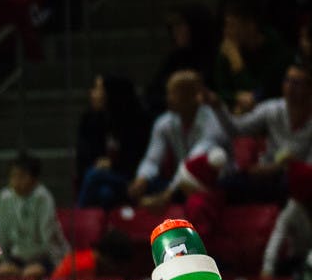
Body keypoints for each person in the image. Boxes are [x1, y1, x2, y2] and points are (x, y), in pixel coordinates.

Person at [203, 62, 312, 205]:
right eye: (287, 80)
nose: (289, 87)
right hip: (264, 174)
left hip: (296, 179)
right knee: (224, 185)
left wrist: (279, 168)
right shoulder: (272, 109)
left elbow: (309, 168)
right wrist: (217, 106)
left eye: (296, 83)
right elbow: (237, 130)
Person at [128, 70, 227, 208]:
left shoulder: (211, 122)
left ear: (193, 97)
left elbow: (192, 166)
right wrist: (141, 180)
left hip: (214, 183)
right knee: (137, 188)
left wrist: (166, 196)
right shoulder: (165, 122)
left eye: (174, 93)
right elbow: (152, 159)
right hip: (181, 183)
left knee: (194, 198)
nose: (168, 98)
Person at [76, 76, 149, 209]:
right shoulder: (91, 120)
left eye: (98, 89)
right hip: (107, 180)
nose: (92, 93)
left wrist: (113, 164)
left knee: (93, 175)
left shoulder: (136, 122)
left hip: (131, 179)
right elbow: (85, 158)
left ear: (111, 95)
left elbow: (137, 161)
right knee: (105, 194)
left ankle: (78, 217)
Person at [0, 151, 69, 280]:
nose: (16, 181)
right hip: (18, 257)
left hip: (44, 257)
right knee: (3, 271)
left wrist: (56, 266)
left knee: (32, 273)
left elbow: (48, 238)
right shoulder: (5, 198)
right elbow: (3, 233)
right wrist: (6, 261)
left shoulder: (43, 197)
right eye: (13, 176)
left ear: (34, 179)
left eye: (22, 176)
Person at [214, 0, 293, 114]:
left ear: (251, 25)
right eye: (226, 25)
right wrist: (235, 98)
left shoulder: (278, 52)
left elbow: (260, 94)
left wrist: (237, 63)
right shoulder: (228, 50)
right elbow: (220, 91)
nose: (226, 32)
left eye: (232, 25)